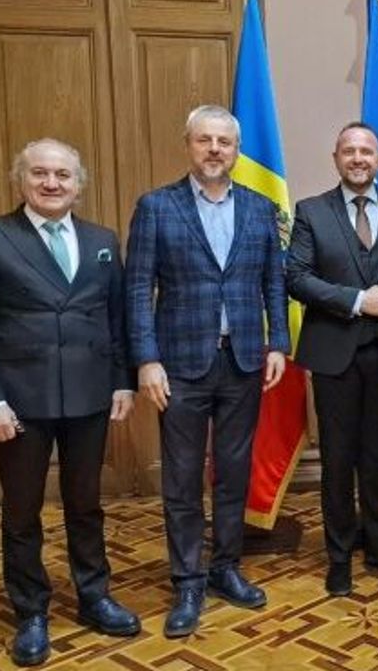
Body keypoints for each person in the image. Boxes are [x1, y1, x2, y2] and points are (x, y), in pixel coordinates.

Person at [0, 139, 140, 666]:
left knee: (86, 505)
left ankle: (94, 595)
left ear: (78, 184)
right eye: (41, 174)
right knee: (21, 510)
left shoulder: (103, 240)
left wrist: (122, 381)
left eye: (62, 175)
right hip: (20, 404)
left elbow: (116, 319)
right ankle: (31, 610)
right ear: (22, 180)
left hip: (88, 398)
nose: (52, 183)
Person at [125, 105, 289, 638]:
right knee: (181, 477)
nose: (215, 149)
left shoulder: (262, 209)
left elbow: (273, 285)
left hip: (243, 360)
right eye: (205, 140)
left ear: (236, 150)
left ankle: (226, 567)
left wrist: (278, 345)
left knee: (234, 472)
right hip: (180, 365)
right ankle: (189, 580)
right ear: (188, 145)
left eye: (224, 141)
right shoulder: (156, 207)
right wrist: (147, 359)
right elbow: (137, 290)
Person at [285, 122, 378, 597]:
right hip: (334, 357)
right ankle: (339, 556)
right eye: (349, 151)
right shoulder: (311, 212)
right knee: (338, 462)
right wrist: (358, 300)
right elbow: (296, 277)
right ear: (336, 158)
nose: (358, 158)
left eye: (367, 151)